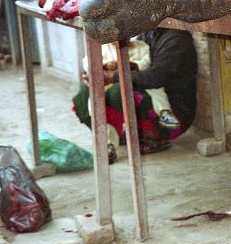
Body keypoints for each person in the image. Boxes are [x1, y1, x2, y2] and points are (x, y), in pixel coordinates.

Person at [72, 27, 197, 155]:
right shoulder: (148, 33)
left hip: (173, 112)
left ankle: (155, 135)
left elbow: (155, 76)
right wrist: (98, 72)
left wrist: (113, 76)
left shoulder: (177, 40)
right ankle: (111, 135)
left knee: (117, 91)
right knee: (87, 91)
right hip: (150, 92)